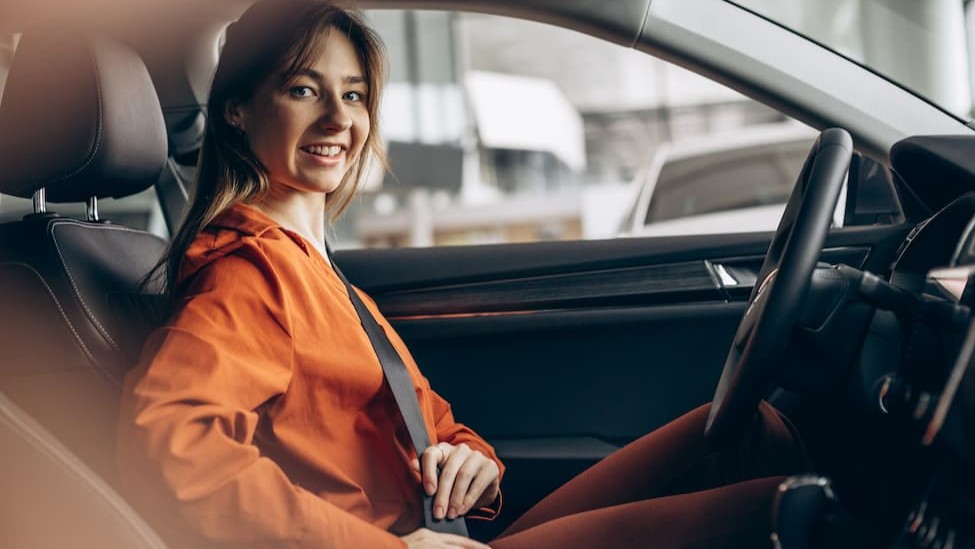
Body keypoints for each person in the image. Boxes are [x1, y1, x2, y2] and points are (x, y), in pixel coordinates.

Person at [117, 1, 806, 547]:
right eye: (304, 89)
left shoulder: (314, 265)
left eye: (354, 96)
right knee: (784, 515)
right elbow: (174, 446)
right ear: (237, 109)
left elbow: (428, 415)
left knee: (746, 428)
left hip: (446, 530)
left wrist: (471, 459)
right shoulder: (251, 273)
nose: (339, 118)